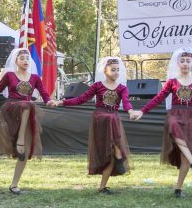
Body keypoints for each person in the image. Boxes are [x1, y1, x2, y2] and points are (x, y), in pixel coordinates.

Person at [48, 57, 142, 194]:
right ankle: (118, 155)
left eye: (118, 70)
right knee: (107, 150)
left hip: (113, 119)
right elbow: (81, 99)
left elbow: (126, 102)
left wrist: (131, 112)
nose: (116, 72)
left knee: (111, 152)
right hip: (101, 119)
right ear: (105, 71)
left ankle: (103, 185)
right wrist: (60, 102)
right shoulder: (98, 86)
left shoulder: (122, 88)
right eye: (113, 70)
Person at [0, 48, 51, 194]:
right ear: (16, 61)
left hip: (27, 114)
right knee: (27, 104)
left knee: (25, 152)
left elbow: (45, 94)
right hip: (12, 109)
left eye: (27, 58)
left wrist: (51, 101)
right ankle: (20, 139)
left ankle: (14, 185)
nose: (25, 61)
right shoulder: (9, 75)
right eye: (22, 58)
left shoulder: (35, 78)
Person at [138, 48, 192, 198]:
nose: (185, 64)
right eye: (182, 61)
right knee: (173, 125)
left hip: (190, 119)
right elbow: (158, 98)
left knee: (185, 155)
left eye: (188, 61)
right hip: (175, 115)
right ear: (178, 63)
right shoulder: (172, 82)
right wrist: (143, 110)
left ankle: (179, 188)